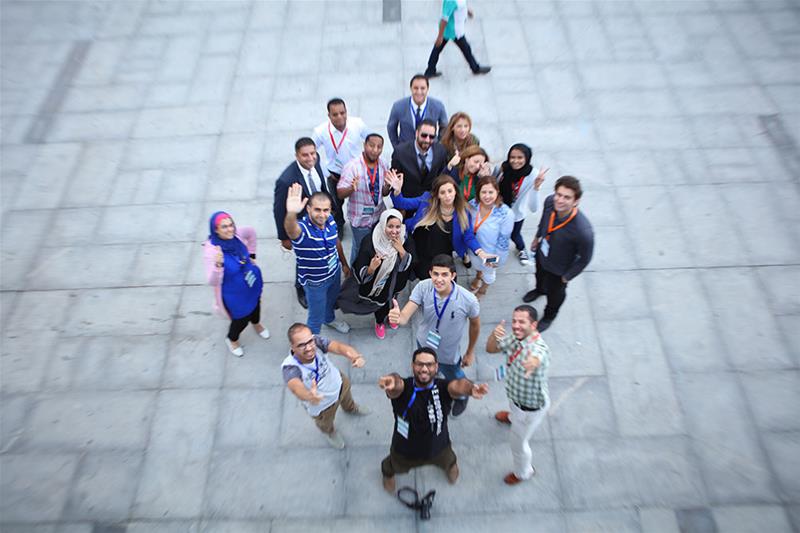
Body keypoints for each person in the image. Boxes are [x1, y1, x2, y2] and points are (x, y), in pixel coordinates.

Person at [378, 347, 489, 492]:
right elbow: (396, 384)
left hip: (439, 446)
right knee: (391, 465)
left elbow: (458, 385)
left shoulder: (443, 387)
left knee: (450, 462)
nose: (424, 369)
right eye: (419, 364)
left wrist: (470, 388)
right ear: (412, 366)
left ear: (436, 367)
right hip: (404, 449)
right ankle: (388, 474)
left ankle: (450, 469)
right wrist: (391, 381)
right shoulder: (403, 388)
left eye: (429, 364)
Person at [388, 254, 481, 416]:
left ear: (453, 275)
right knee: (428, 372)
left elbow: (475, 325)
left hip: (448, 353)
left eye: (444, 274)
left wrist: (470, 352)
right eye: (436, 274)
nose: (439, 279)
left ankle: (462, 397)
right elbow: (404, 316)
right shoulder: (423, 287)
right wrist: (398, 317)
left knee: (456, 377)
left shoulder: (468, 300)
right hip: (424, 344)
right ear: (430, 273)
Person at [485, 305, 550, 485]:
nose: (516, 325)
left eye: (522, 322)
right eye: (514, 321)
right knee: (514, 410)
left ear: (533, 325)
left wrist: (533, 362)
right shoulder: (516, 337)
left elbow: (538, 355)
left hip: (529, 409)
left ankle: (524, 473)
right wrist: (494, 336)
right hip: (516, 397)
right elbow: (491, 349)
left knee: (518, 445)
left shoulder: (538, 348)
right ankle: (512, 417)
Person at [274, 137, 339, 309]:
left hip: (319, 215)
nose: (310, 158)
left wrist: (330, 207)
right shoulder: (286, 181)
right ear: (297, 156)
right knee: (304, 257)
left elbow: (322, 186)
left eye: (313, 153)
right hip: (302, 223)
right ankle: (301, 287)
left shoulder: (315, 162)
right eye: (305, 155)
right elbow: (279, 210)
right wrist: (284, 238)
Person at [522, 176, 594, 332]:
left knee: (555, 294)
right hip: (543, 254)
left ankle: (550, 315)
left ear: (576, 201)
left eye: (566, 197)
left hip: (559, 269)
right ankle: (540, 290)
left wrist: (566, 277)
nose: (560, 200)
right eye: (558, 194)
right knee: (539, 276)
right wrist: (537, 237)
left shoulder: (583, 231)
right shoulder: (550, 202)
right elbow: (544, 221)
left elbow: (585, 259)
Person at [388, 173, 492, 279]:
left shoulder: (463, 211)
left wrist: (481, 252)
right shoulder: (426, 200)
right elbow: (401, 203)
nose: (447, 196)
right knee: (425, 278)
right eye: (442, 192)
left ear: (455, 191)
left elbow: (468, 236)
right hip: (423, 249)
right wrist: (397, 191)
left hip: (444, 254)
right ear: (437, 194)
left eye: (450, 191)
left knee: (447, 282)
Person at [282, 322, 368, 449]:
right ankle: (330, 433)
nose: (309, 348)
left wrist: (355, 356)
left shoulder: (316, 341)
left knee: (348, 400)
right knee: (326, 423)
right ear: (292, 347)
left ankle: (351, 408)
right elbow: (295, 387)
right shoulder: (290, 367)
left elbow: (338, 347)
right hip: (323, 404)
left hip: (340, 383)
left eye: (310, 341)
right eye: (301, 345)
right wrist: (309, 396)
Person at [284, 184, 351, 334]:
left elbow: (336, 242)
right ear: (308, 209)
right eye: (317, 210)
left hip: (334, 273)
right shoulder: (303, 230)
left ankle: (329, 319)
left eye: (325, 210)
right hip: (316, 283)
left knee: (331, 302)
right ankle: (311, 342)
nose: (322, 214)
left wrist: (344, 264)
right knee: (315, 318)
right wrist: (291, 213)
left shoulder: (331, 221)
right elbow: (291, 230)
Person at [203, 212, 270, 357]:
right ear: (216, 230)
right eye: (224, 227)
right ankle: (232, 339)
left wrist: (252, 255)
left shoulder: (236, 235)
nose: (230, 229)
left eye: (231, 225)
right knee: (241, 318)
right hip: (234, 294)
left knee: (256, 306)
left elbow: (251, 232)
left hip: (251, 283)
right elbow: (212, 281)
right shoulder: (212, 252)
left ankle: (256, 324)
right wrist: (218, 265)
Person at [353, 209, 414, 340]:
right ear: (382, 225)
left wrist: (402, 251)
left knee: (393, 301)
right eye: (390, 226)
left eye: (397, 226)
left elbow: (411, 262)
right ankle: (380, 322)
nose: (394, 231)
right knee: (380, 305)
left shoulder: (404, 238)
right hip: (379, 286)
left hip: (395, 282)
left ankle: (392, 317)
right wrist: (371, 268)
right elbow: (361, 266)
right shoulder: (370, 241)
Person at [336, 133, 397, 265]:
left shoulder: (383, 164)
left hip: (378, 216)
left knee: (375, 247)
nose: (375, 150)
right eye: (371, 146)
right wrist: (351, 188)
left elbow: (384, 193)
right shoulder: (352, 166)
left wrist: (388, 185)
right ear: (364, 145)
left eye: (379, 147)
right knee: (359, 248)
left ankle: (370, 271)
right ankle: (354, 273)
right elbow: (340, 193)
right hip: (360, 219)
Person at [312, 98, 370, 237]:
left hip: (357, 173)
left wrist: (367, 161)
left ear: (346, 112)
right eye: (335, 114)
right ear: (329, 115)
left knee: (361, 200)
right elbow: (311, 151)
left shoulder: (357, 124)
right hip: (335, 175)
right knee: (335, 204)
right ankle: (339, 224)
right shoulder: (321, 131)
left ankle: (362, 223)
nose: (339, 117)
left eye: (342, 113)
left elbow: (371, 139)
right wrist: (326, 173)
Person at [494, 143, 549, 266]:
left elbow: (533, 208)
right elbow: (493, 183)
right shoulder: (504, 168)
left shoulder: (533, 175)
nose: (515, 161)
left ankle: (521, 249)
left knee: (515, 235)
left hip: (516, 214)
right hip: (498, 209)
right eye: (512, 157)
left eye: (520, 158)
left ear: (527, 158)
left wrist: (536, 187)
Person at [468, 176, 514, 298]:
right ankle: (478, 276)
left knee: (488, 274)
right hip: (475, 249)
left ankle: (482, 290)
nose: (487, 196)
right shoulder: (472, 205)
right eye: (483, 192)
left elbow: (504, 241)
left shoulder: (505, 213)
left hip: (490, 253)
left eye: (491, 192)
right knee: (477, 266)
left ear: (497, 192)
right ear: (478, 193)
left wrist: (496, 261)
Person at [425, 0, 491, 78]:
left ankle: (430, 71)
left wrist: (467, 11)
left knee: (437, 49)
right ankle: (475, 68)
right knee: (466, 49)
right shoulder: (450, 1)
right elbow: (444, 19)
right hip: (454, 31)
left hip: (453, 30)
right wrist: (440, 36)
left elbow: (460, 5)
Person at [389, 119, 448, 202]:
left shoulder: (441, 151)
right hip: (407, 203)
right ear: (417, 133)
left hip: (432, 203)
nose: (427, 140)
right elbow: (394, 180)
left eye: (431, 137)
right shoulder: (400, 152)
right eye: (424, 135)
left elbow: (442, 177)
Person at [387, 74, 448, 148]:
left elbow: (444, 127)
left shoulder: (438, 106)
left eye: (422, 88)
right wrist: (397, 147)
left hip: (430, 148)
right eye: (416, 88)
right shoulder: (398, 106)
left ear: (427, 89)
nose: (419, 92)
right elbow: (391, 128)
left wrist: (438, 146)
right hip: (406, 149)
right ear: (411, 88)